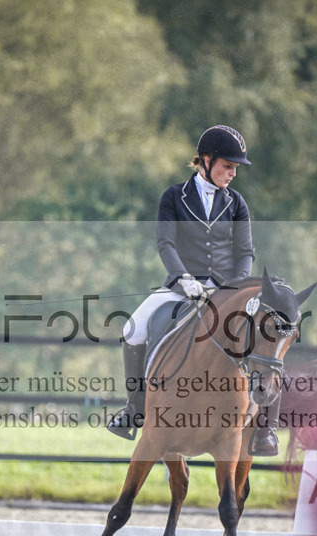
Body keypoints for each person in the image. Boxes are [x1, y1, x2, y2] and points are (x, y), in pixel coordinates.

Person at [107, 125, 280, 456]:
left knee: (269, 334)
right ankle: (135, 408)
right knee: (132, 328)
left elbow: (245, 252)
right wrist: (183, 277)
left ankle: (266, 429)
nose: (232, 173)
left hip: (228, 289)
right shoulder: (174, 197)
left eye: (235, 168)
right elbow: (165, 242)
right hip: (183, 286)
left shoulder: (237, 203)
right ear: (205, 160)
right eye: (227, 165)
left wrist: (235, 286)